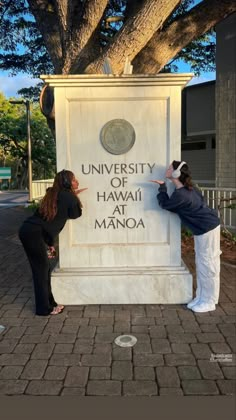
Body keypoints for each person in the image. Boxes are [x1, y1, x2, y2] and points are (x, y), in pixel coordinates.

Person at [150, 160, 221, 313]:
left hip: (206, 228)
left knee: (208, 265)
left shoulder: (182, 194)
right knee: (203, 263)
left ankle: (209, 301)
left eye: (170, 168)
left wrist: (162, 188)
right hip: (205, 228)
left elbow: (165, 205)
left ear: (176, 173)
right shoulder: (188, 189)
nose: (167, 169)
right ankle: (202, 297)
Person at [19, 170, 87, 316]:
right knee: (41, 271)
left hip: (30, 230)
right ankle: (44, 309)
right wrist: (75, 196)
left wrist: (49, 243)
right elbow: (76, 214)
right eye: (74, 180)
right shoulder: (68, 196)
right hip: (33, 234)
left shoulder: (53, 194)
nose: (77, 182)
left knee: (44, 270)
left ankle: (50, 303)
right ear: (67, 182)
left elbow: (46, 220)